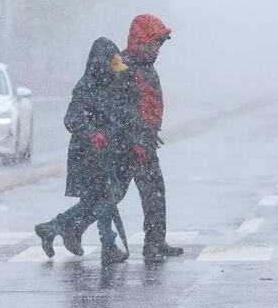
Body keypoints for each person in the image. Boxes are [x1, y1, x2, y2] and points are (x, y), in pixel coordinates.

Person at [48, 14, 184, 260]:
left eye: (160, 44)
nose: (158, 49)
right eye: (155, 43)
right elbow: (120, 111)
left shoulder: (145, 65)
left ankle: (152, 241)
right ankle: (68, 227)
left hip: (142, 141)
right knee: (110, 197)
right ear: (141, 41)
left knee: (147, 192)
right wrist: (134, 141)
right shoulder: (124, 67)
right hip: (129, 145)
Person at [35, 37, 130, 264]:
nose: (113, 72)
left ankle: (56, 227)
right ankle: (108, 245)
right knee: (104, 200)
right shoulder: (86, 87)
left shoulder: (111, 84)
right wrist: (92, 133)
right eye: (109, 67)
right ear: (100, 64)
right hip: (88, 156)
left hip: (105, 154)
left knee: (94, 202)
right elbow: (71, 119)